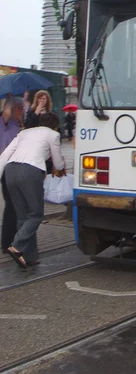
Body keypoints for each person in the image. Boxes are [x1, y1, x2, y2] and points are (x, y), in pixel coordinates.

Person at [0, 111, 65, 269]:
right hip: (31, 172)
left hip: (10, 171)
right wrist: (61, 166)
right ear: (55, 125)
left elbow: (5, 154)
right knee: (36, 215)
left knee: (22, 217)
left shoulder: (24, 132)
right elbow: (58, 164)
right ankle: (16, 246)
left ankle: (29, 257)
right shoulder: (53, 135)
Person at [0, 97, 24, 253]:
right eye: (18, 108)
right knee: (11, 205)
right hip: (6, 168)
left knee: (17, 205)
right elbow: (6, 112)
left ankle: (14, 239)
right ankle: (7, 242)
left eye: (23, 108)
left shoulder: (19, 125)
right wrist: (9, 97)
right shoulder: (5, 123)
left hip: (18, 168)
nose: (21, 111)